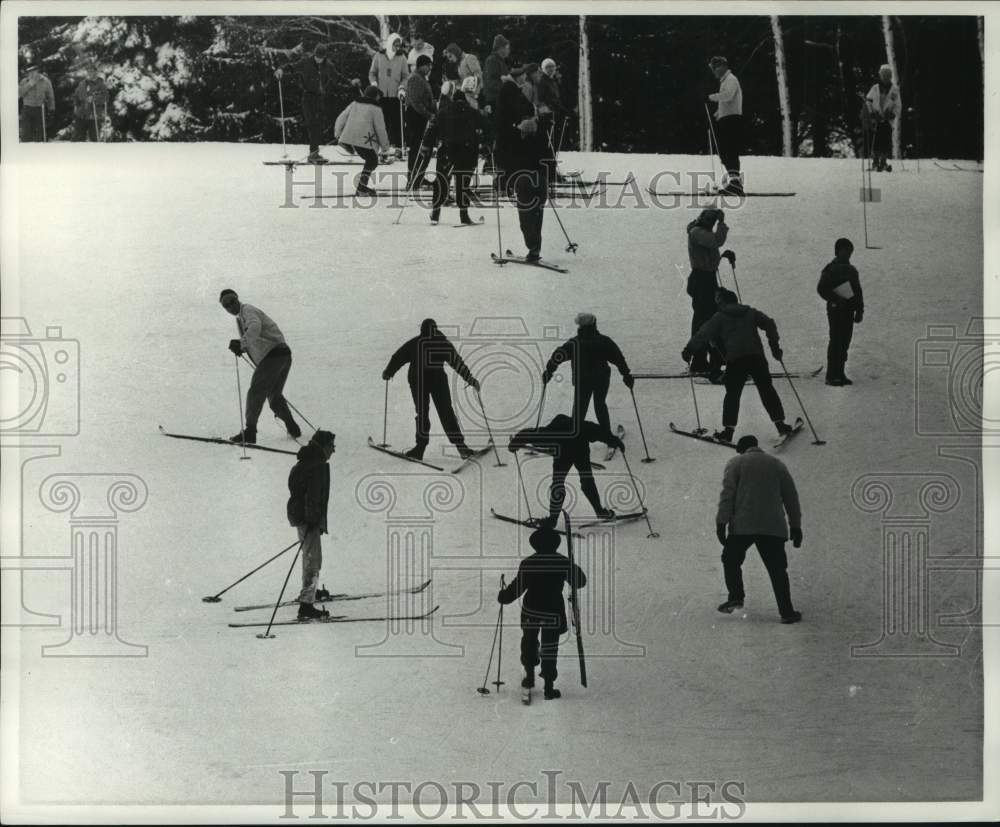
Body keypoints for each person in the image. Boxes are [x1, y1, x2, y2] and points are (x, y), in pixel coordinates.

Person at [682, 288, 794, 444]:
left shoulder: (719, 317)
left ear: (722, 302)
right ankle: (780, 424)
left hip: (736, 361)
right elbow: (769, 323)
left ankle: (728, 432)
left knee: (732, 395)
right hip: (757, 358)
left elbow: (703, 334)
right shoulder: (750, 312)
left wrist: (689, 350)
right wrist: (774, 345)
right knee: (767, 390)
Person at [716, 434, 803, 624]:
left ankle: (736, 596)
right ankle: (787, 612)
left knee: (730, 559)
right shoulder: (777, 464)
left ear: (742, 449)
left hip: (743, 525)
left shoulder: (736, 463)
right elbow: (791, 497)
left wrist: (721, 523)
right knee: (777, 569)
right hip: (772, 526)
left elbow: (727, 495)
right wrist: (795, 526)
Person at [498, 526, 587, 700]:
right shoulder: (562, 561)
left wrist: (503, 596)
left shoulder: (529, 562)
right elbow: (580, 582)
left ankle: (529, 677)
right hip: (553, 611)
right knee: (550, 646)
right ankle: (548, 686)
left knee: (529, 642)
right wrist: (572, 565)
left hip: (531, 609)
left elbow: (517, 588)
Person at [382, 318, 481, 461]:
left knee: (434, 413)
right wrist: (389, 372)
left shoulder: (424, 342)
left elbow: (398, 357)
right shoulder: (434, 342)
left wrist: (388, 372)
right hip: (424, 381)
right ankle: (455, 447)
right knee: (438, 412)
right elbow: (456, 361)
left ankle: (428, 448)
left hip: (430, 380)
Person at [508, 414, 624, 526]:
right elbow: (599, 431)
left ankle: (552, 519)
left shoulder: (551, 433)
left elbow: (530, 435)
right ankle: (600, 511)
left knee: (558, 483)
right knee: (587, 480)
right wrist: (615, 441)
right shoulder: (582, 426)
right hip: (580, 449)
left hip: (564, 453)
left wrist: (516, 442)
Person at [219, 289, 301, 444]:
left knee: (256, 391)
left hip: (274, 355)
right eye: (226, 305)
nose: (230, 306)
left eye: (232, 301)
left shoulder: (247, 311)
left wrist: (241, 343)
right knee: (274, 397)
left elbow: (255, 328)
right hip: (283, 355)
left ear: (237, 299)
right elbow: (254, 333)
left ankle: (250, 432)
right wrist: (242, 347)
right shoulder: (242, 317)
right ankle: (293, 428)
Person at [543, 313, 634, 434]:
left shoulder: (574, 343)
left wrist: (548, 372)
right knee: (600, 405)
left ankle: (574, 438)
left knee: (579, 410)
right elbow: (619, 358)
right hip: (601, 379)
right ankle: (608, 437)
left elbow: (557, 356)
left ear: (580, 326)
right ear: (594, 324)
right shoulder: (604, 341)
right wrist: (626, 375)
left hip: (582, 381)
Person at [499, 65, 554, 262]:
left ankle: (533, 248)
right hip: (540, 180)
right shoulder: (540, 136)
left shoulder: (517, 140)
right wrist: (551, 179)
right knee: (537, 217)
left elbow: (511, 161)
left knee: (525, 218)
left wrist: (504, 180)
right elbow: (549, 158)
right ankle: (535, 248)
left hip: (524, 181)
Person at [286, 430, 337, 621]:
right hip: (308, 519)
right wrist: (313, 520)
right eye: (332, 446)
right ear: (323, 447)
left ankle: (310, 593)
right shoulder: (318, 466)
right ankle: (306, 606)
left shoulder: (303, 463)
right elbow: (314, 497)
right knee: (313, 560)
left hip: (300, 517)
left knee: (309, 556)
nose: (333, 450)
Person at [430, 79, 482, 226]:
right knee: (463, 184)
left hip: (447, 151)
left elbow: (433, 130)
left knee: (442, 181)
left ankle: (435, 213)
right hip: (466, 152)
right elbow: (486, 126)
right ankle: (463, 215)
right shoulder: (472, 112)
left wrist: (427, 145)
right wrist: (487, 143)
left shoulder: (443, 112)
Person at [274, 44, 337, 163]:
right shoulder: (306, 63)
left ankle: (314, 153)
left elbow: (338, 77)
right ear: (314, 54)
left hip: (320, 98)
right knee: (312, 124)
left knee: (318, 125)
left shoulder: (328, 66)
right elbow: (292, 67)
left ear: (324, 57)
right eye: (317, 56)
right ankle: (313, 154)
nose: (318, 59)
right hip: (308, 97)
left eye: (321, 57)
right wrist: (281, 69)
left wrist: (351, 82)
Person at [686, 207, 729, 380]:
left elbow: (712, 248)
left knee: (706, 318)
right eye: (711, 220)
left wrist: (722, 257)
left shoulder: (699, 231)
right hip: (702, 280)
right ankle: (701, 360)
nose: (712, 223)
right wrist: (722, 223)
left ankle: (708, 359)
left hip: (705, 278)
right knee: (705, 320)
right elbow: (717, 241)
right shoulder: (697, 232)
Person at [817, 237, 864, 386]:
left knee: (845, 342)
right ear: (838, 251)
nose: (848, 254)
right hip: (836, 311)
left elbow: (858, 291)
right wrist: (836, 299)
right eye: (845, 251)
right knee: (836, 341)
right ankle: (831, 376)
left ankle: (840, 373)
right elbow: (821, 289)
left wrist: (859, 310)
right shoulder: (830, 269)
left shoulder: (852, 270)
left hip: (848, 311)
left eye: (850, 252)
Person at [334, 85, 390, 195]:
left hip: (351, 137)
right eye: (378, 96)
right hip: (365, 140)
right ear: (375, 96)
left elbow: (341, 117)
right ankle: (361, 188)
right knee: (372, 161)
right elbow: (380, 129)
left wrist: (338, 133)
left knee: (371, 160)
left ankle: (362, 187)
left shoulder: (354, 104)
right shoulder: (376, 108)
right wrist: (385, 148)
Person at [707, 56, 744, 196]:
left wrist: (711, 97)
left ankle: (736, 183)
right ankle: (734, 182)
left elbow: (728, 96)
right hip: (727, 118)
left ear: (722, 66)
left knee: (730, 149)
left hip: (732, 120)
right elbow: (727, 102)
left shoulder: (731, 79)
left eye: (715, 68)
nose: (714, 71)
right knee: (724, 150)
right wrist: (718, 113)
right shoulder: (725, 81)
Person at [368, 33, 409, 150]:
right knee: (382, 122)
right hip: (381, 95)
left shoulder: (402, 58)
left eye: (399, 45)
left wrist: (402, 87)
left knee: (397, 122)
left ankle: (399, 147)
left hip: (395, 95)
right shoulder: (379, 56)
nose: (397, 48)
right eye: (395, 45)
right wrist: (374, 83)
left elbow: (406, 76)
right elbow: (372, 73)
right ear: (390, 44)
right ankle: (381, 147)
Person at [404, 54, 436, 189]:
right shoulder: (415, 79)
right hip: (416, 116)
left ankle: (419, 176)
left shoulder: (421, 78)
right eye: (428, 66)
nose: (430, 68)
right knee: (417, 148)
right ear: (422, 65)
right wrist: (429, 115)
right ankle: (413, 178)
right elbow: (416, 102)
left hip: (421, 116)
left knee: (423, 147)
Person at [863, 64, 901, 172]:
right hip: (877, 118)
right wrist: (872, 113)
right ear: (880, 75)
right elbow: (868, 101)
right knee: (876, 140)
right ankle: (875, 162)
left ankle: (883, 161)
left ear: (890, 76)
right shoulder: (875, 88)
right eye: (883, 75)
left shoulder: (894, 90)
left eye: (888, 75)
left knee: (886, 140)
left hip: (888, 120)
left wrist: (893, 114)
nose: (885, 77)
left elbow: (898, 105)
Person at [71, 62, 109, 142]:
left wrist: (95, 98)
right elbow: (75, 96)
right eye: (88, 71)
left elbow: (106, 97)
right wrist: (75, 104)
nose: (90, 73)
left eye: (92, 71)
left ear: (96, 72)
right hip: (81, 115)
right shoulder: (82, 83)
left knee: (94, 139)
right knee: (77, 139)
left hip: (94, 116)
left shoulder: (100, 84)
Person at [18, 64, 55, 142]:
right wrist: (30, 84)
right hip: (27, 109)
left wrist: (51, 109)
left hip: (40, 109)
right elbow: (19, 94)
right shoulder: (24, 81)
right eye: (29, 72)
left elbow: (50, 96)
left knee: (39, 134)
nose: (31, 74)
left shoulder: (45, 81)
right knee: (26, 134)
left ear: (37, 71)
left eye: (33, 71)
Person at [482, 35, 511, 118]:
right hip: (495, 101)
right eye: (507, 48)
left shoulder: (500, 61)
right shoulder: (492, 60)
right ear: (501, 48)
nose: (509, 50)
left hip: (501, 99)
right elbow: (491, 82)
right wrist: (506, 89)